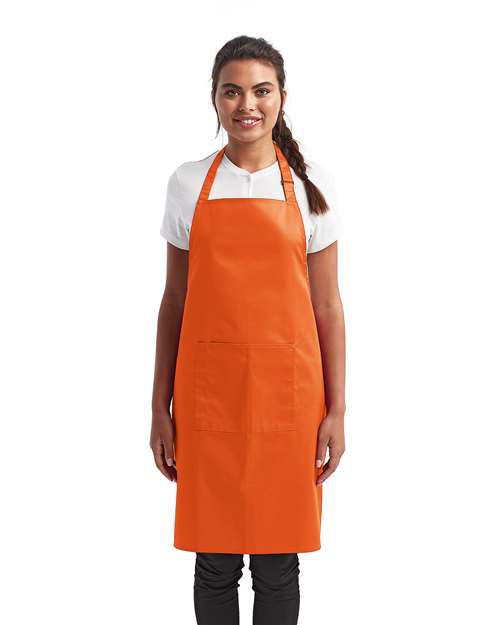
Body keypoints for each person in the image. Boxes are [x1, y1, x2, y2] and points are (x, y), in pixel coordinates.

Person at [151, 35, 346, 625]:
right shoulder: (188, 183)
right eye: (232, 91)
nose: (247, 105)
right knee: (213, 561)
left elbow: (328, 307)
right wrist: (159, 407)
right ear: (214, 98)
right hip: (209, 397)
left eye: (261, 90)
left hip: (290, 398)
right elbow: (175, 301)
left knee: (277, 562)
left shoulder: (312, 186)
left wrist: (338, 410)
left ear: (282, 97)